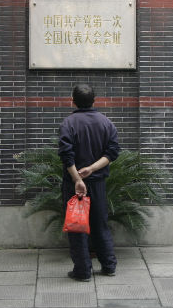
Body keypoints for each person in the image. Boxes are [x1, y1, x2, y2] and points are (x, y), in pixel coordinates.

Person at [58, 83, 121, 281]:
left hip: (74, 186)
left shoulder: (68, 123)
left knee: (77, 227)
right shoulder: (106, 122)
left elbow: (66, 155)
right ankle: (109, 266)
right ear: (95, 101)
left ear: (73, 101)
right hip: (98, 183)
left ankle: (83, 271)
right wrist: (93, 169)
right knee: (100, 224)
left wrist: (77, 179)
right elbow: (112, 152)